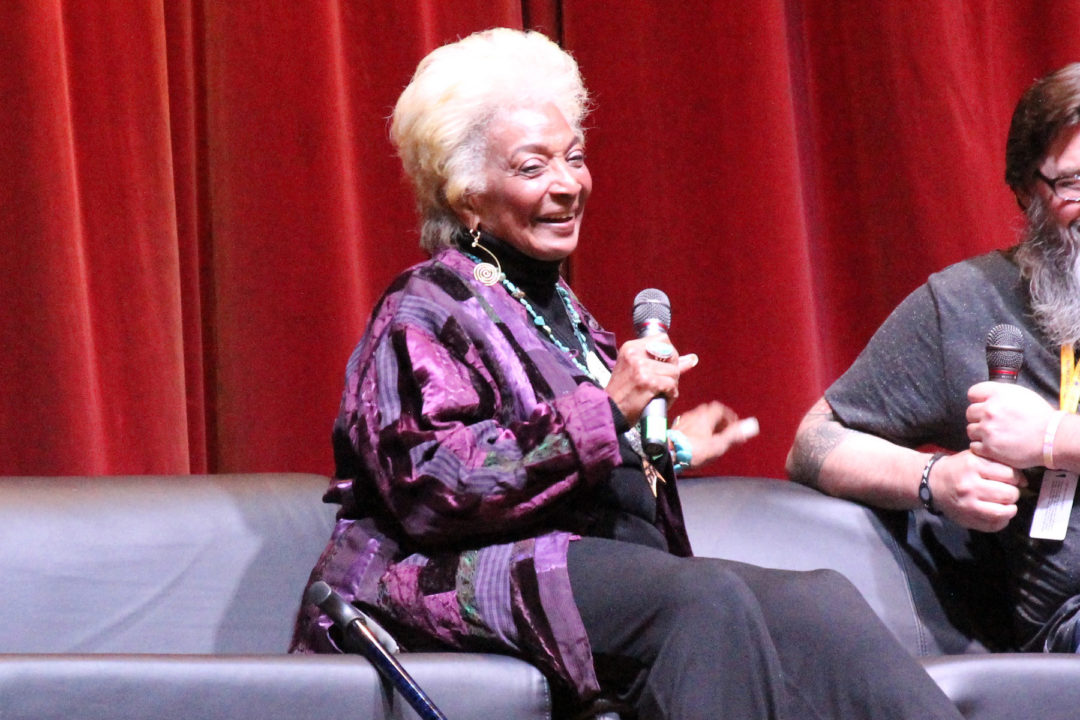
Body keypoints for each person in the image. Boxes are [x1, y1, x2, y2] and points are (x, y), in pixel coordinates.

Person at [291, 27, 965, 720]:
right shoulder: (423, 308)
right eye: (532, 168)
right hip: (439, 577)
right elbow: (433, 487)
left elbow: (562, 451)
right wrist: (606, 411)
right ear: (466, 198)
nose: (566, 185)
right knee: (704, 601)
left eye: (574, 158)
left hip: (567, 563)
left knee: (819, 601)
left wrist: (658, 447)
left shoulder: (560, 312)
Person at [787, 62, 1080, 655]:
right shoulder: (967, 305)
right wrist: (934, 480)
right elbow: (814, 442)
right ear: (1027, 190)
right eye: (1075, 184)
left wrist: (1052, 438)